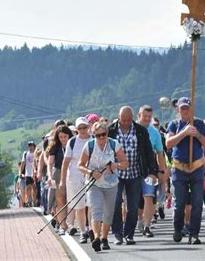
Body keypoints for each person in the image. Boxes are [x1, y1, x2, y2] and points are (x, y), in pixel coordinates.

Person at [109, 106, 158, 245]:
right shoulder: (111, 130)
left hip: (135, 173)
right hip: (116, 174)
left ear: (132, 118)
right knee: (116, 203)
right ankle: (118, 233)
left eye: (129, 120)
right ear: (119, 118)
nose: (126, 123)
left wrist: (152, 171)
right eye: (123, 120)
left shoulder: (141, 130)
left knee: (133, 205)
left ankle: (129, 234)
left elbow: (149, 152)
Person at [165, 97, 205, 244]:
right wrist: (184, 133)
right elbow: (168, 143)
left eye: (187, 108)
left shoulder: (198, 123)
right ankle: (178, 228)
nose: (185, 110)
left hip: (197, 168)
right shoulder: (174, 125)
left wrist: (197, 134)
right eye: (182, 108)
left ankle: (194, 234)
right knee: (179, 204)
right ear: (178, 110)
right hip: (179, 169)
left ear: (191, 108)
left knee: (197, 203)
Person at [78, 122, 129, 252]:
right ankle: (97, 237)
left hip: (111, 184)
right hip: (94, 183)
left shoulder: (114, 144)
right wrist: (90, 172)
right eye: (98, 135)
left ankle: (105, 238)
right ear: (94, 135)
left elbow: (125, 163)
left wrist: (115, 166)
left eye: (103, 135)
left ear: (107, 133)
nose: (101, 138)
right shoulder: (89, 146)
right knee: (96, 209)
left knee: (108, 213)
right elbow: (80, 165)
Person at [137, 105, 167, 238]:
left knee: (149, 196)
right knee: (136, 200)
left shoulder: (154, 133)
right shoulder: (133, 129)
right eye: (145, 116)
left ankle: (147, 226)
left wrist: (162, 171)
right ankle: (139, 219)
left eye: (149, 117)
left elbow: (160, 153)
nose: (147, 119)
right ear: (139, 116)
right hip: (134, 169)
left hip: (150, 169)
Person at [60, 117, 91, 243]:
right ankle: (83, 231)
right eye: (79, 128)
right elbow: (66, 162)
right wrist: (62, 181)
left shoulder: (94, 139)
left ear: (88, 127)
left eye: (84, 127)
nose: (82, 130)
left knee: (91, 204)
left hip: (91, 176)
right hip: (75, 176)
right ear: (77, 129)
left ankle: (91, 229)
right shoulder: (72, 142)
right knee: (80, 206)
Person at [47, 125, 74, 235]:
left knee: (71, 199)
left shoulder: (73, 144)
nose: (63, 139)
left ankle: (71, 223)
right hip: (57, 174)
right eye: (61, 137)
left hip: (71, 172)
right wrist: (49, 177)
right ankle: (63, 225)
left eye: (65, 136)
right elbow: (50, 163)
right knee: (59, 201)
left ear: (69, 136)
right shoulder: (55, 146)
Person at [20, 141, 36, 207]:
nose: (30, 147)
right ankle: (29, 201)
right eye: (29, 146)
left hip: (34, 173)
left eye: (31, 145)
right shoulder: (26, 153)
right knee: (27, 188)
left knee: (34, 188)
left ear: (34, 146)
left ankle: (34, 201)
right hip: (28, 173)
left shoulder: (36, 152)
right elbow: (23, 163)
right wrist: (20, 172)